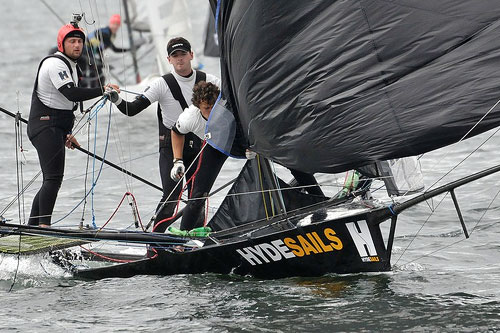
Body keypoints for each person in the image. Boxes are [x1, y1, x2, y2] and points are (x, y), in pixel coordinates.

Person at [108, 37, 221, 232]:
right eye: (175, 56)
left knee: (198, 197)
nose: (180, 59)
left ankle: (196, 239)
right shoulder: (161, 84)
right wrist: (117, 99)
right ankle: (156, 242)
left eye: (183, 54)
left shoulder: (210, 80)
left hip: (200, 144)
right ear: (168, 59)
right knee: (172, 195)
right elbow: (131, 109)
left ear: (191, 55)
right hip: (171, 145)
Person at [27, 22, 119, 227]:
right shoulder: (55, 64)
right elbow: (70, 93)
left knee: (50, 181)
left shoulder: (71, 65)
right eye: (72, 41)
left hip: (55, 128)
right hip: (44, 126)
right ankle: (44, 228)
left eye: (80, 41)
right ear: (62, 44)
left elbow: (65, 104)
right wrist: (102, 89)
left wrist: (66, 133)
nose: (77, 45)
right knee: (53, 179)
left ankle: (31, 228)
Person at [169, 81, 226, 231]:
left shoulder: (228, 106)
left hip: (239, 141)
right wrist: (177, 161)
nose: (212, 111)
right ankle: (183, 238)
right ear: (198, 107)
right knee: (198, 196)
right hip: (216, 145)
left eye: (214, 106)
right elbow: (176, 132)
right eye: (207, 108)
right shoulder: (190, 117)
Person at [83, 14, 134, 87]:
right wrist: (129, 50)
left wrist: (102, 62)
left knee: (97, 72)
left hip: (90, 53)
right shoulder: (106, 33)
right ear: (110, 24)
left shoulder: (110, 34)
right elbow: (114, 49)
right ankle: (94, 91)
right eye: (114, 24)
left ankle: (96, 90)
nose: (115, 26)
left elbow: (99, 49)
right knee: (94, 72)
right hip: (85, 52)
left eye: (117, 25)